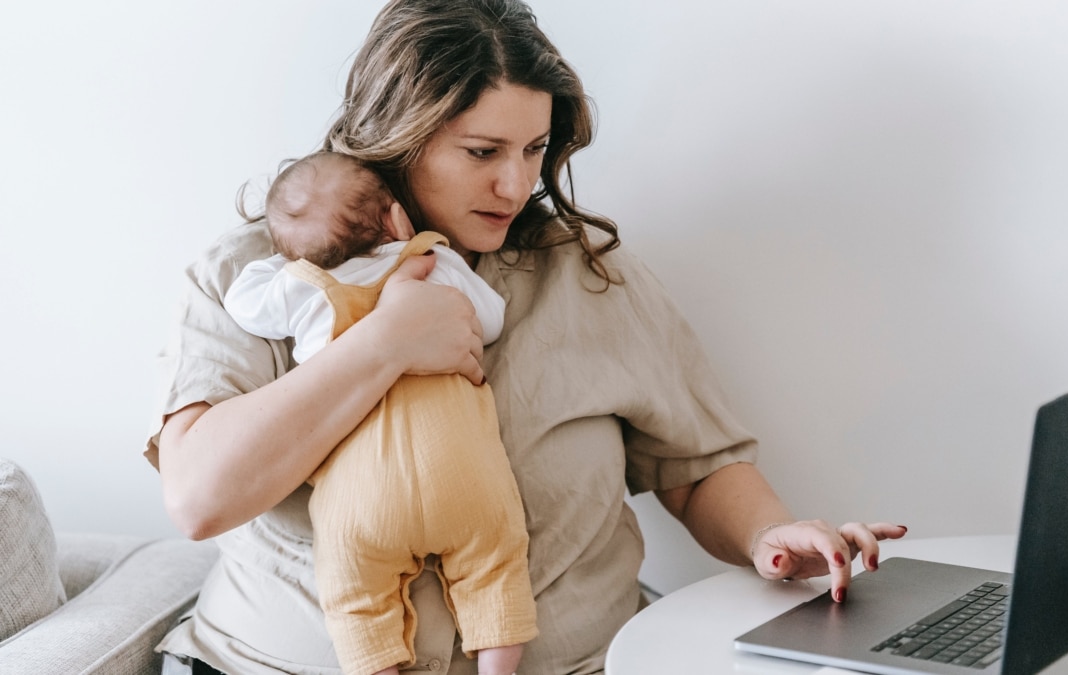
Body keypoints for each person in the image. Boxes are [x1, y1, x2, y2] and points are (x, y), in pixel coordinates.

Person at [147, 1, 908, 673]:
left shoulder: (589, 278)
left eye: (534, 150)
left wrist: (770, 534)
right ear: (395, 136)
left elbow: (695, 465)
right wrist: (383, 345)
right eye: (482, 152)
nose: (516, 185)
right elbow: (200, 496)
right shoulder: (258, 278)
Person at [222, 150, 536, 675]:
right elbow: (490, 319)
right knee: (496, 566)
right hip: (461, 473)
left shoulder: (303, 289)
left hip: (361, 498)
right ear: (395, 217)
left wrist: (290, 257)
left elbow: (243, 300)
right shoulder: (432, 262)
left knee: (355, 599)